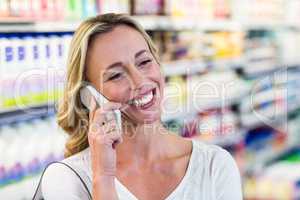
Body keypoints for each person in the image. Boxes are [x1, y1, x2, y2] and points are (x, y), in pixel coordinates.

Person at [41, 13, 242, 200]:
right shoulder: (68, 179)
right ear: (89, 96)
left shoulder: (214, 166)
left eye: (144, 61)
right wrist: (103, 177)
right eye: (116, 75)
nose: (140, 82)